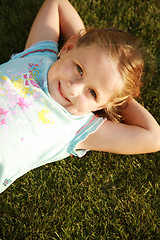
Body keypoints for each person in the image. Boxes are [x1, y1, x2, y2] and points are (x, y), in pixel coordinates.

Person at [0, 0, 159, 193]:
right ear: (67, 48)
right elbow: (57, 4)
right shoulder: (37, 56)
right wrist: (86, 42)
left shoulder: (78, 128)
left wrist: (117, 97)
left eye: (92, 93)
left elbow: (154, 137)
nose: (73, 89)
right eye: (79, 69)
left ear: (102, 105)